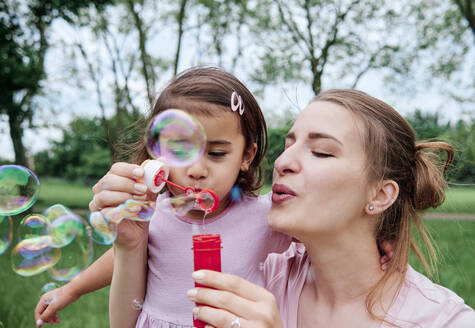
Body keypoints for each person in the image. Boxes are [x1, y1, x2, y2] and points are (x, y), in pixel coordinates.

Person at [186, 89, 475, 327]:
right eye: (288, 145)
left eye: (321, 152)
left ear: (381, 195)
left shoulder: (444, 322)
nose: (282, 162)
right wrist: (136, 242)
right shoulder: (256, 275)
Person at [34, 66, 292, 327]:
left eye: (216, 154)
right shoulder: (150, 213)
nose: (197, 171)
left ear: (246, 156)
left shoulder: (266, 216)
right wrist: (71, 289)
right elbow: (120, 255)